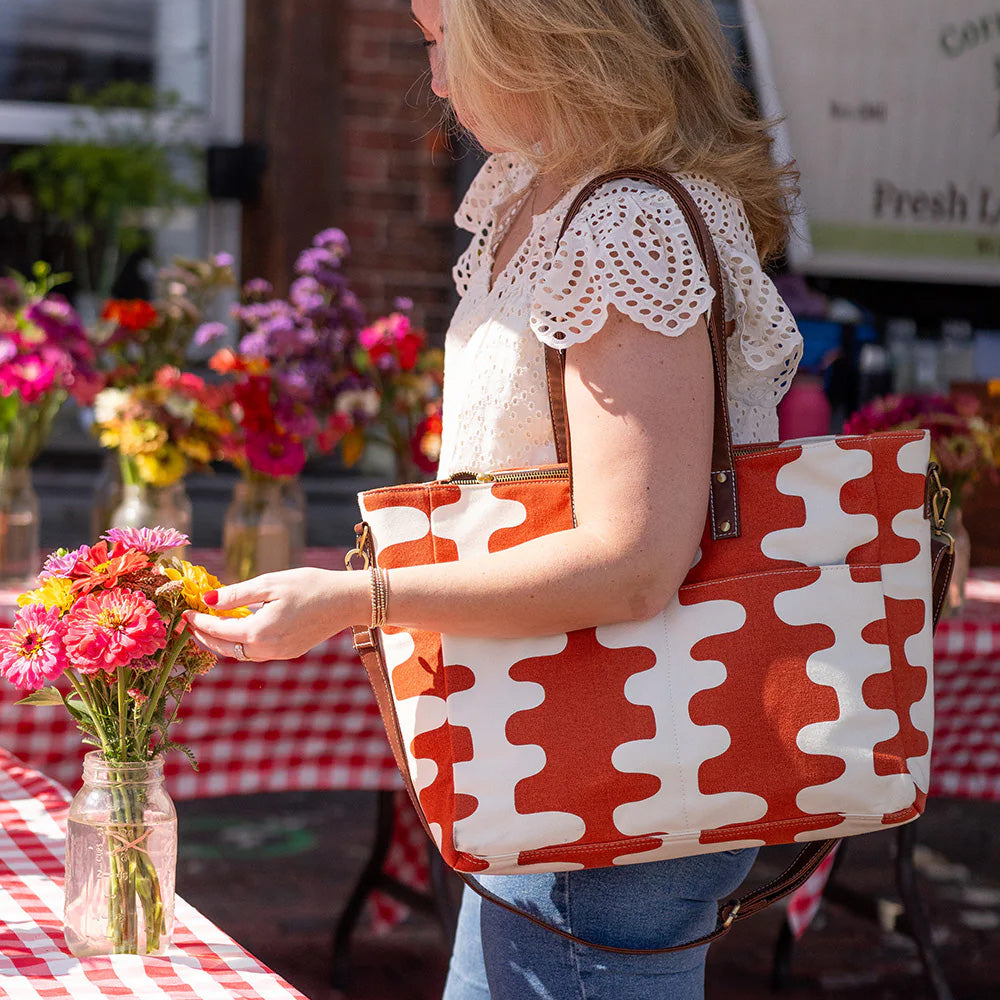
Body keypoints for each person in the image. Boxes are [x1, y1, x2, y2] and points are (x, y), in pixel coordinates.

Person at [185, 1, 804, 996]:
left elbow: (633, 558)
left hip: (611, 773)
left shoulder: (625, 217)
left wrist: (358, 598)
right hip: (549, 752)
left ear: (532, 30)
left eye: (440, 39)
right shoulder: (536, 190)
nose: (432, 78)